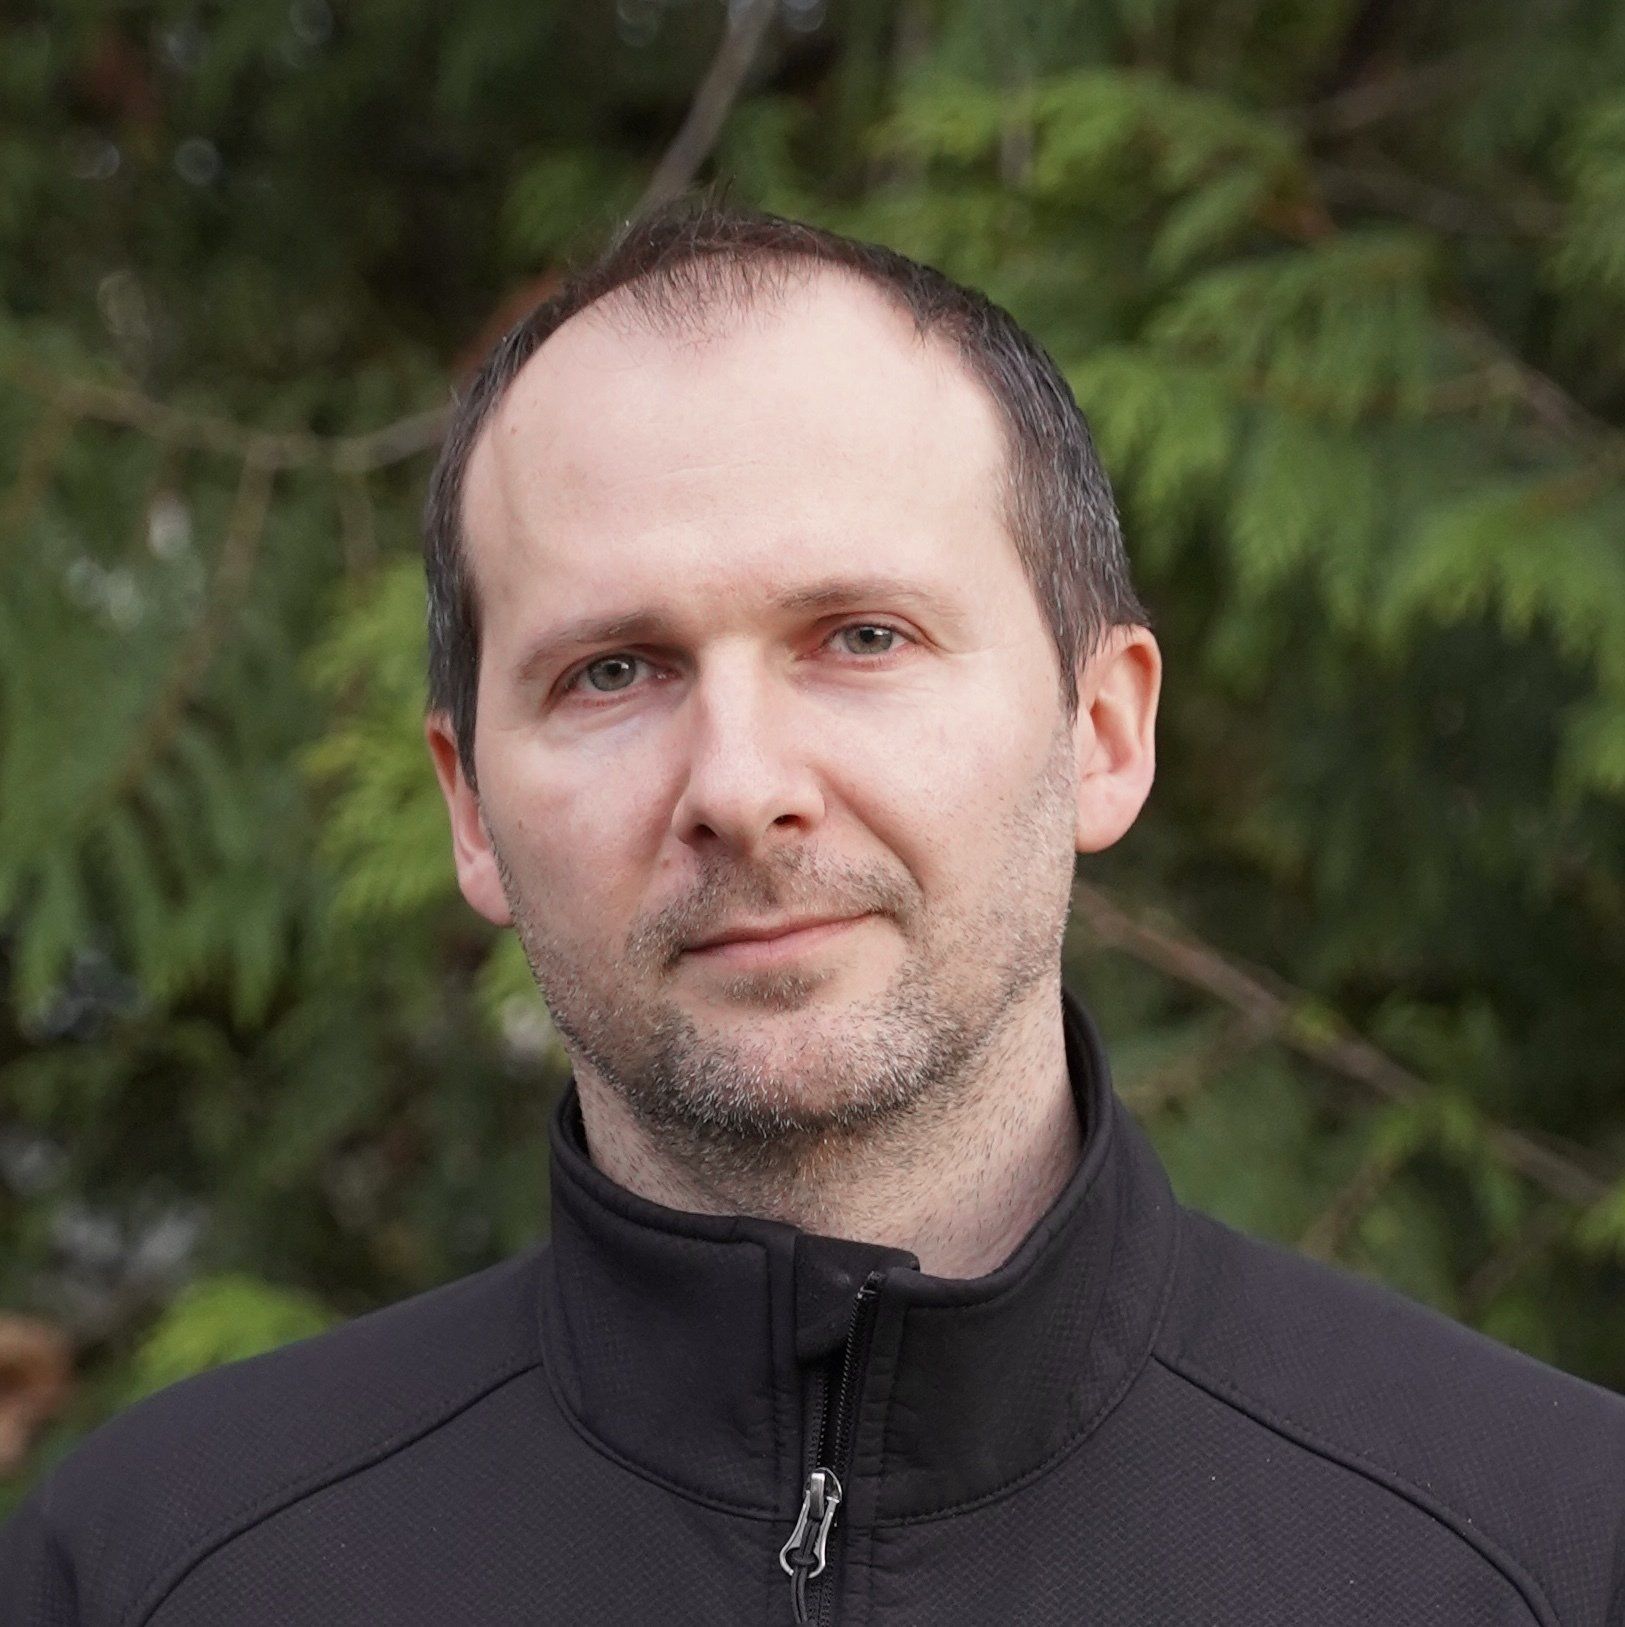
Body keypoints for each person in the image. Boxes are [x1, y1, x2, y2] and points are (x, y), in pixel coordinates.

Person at [4, 201, 1623, 1627]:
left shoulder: (1538, 1552)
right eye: (611, 671)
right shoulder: (163, 1573)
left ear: (1103, 732)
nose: (740, 783)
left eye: (859, 637)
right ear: (470, 812)